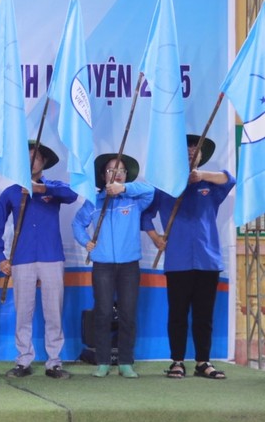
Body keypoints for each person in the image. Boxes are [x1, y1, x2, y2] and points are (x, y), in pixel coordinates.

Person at [142, 135, 235, 380]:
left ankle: (203, 362)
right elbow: (145, 215)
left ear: (202, 155)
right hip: (178, 260)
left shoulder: (210, 185)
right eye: (187, 148)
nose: (192, 151)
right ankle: (177, 361)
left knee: (204, 315)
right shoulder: (166, 185)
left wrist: (201, 175)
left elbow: (230, 179)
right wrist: (155, 238)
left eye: (196, 148)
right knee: (178, 314)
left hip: (208, 259)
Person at [0, 141, 77, 380]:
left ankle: (54, 362)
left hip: (51, 257)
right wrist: (0, 258)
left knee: (54, 311)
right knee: (23, 312)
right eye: (26, 158)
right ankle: (23, 360)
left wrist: (42, 189)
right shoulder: (11, 192)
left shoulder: (54, 187)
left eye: (36, 158)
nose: (31, 162)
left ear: (44, 162)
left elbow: (72, 195)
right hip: (22, 258)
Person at [72, 153, 154, 378]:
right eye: (111, 170)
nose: (116, 173)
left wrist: (124, 188)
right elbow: (77, 224)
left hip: (129, 265)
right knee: (103, 312)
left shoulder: (134, 200)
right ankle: (103, 361)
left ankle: (126, 362)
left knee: (128, 313)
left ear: (126, 176)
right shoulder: (94, 201)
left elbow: (150, 191)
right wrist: (86, 242)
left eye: (121, 170)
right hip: (103, 265)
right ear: (103, 175)